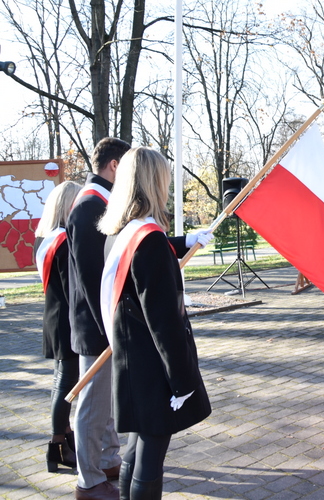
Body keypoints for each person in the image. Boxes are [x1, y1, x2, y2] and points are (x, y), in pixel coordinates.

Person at [98, 147, 212, 499]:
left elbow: (147, 257)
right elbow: (165, 323)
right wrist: (183, 381)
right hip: (153, 365)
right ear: (153, 183)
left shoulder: (122, 232)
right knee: (150, 454)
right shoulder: (148, 241)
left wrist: (183, 242)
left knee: (136, 448)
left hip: (130, 359)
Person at [68, 137, 130, 500]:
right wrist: (110, 328)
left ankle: (107, 459)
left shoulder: (97, 201)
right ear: (114, 166)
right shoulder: (91, 205)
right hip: (96, 324)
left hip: (100, 321)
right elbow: (93, 277)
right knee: (92, 405)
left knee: (103, 400)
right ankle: (88, 480)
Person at [34, 181, 82, 473]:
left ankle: (62, 439)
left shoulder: (44, 238)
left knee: (60, 382)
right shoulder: (63, 240)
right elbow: (71, 288)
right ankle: (57, 444)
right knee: (66, 385)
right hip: (66, 321)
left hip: (53, 317)